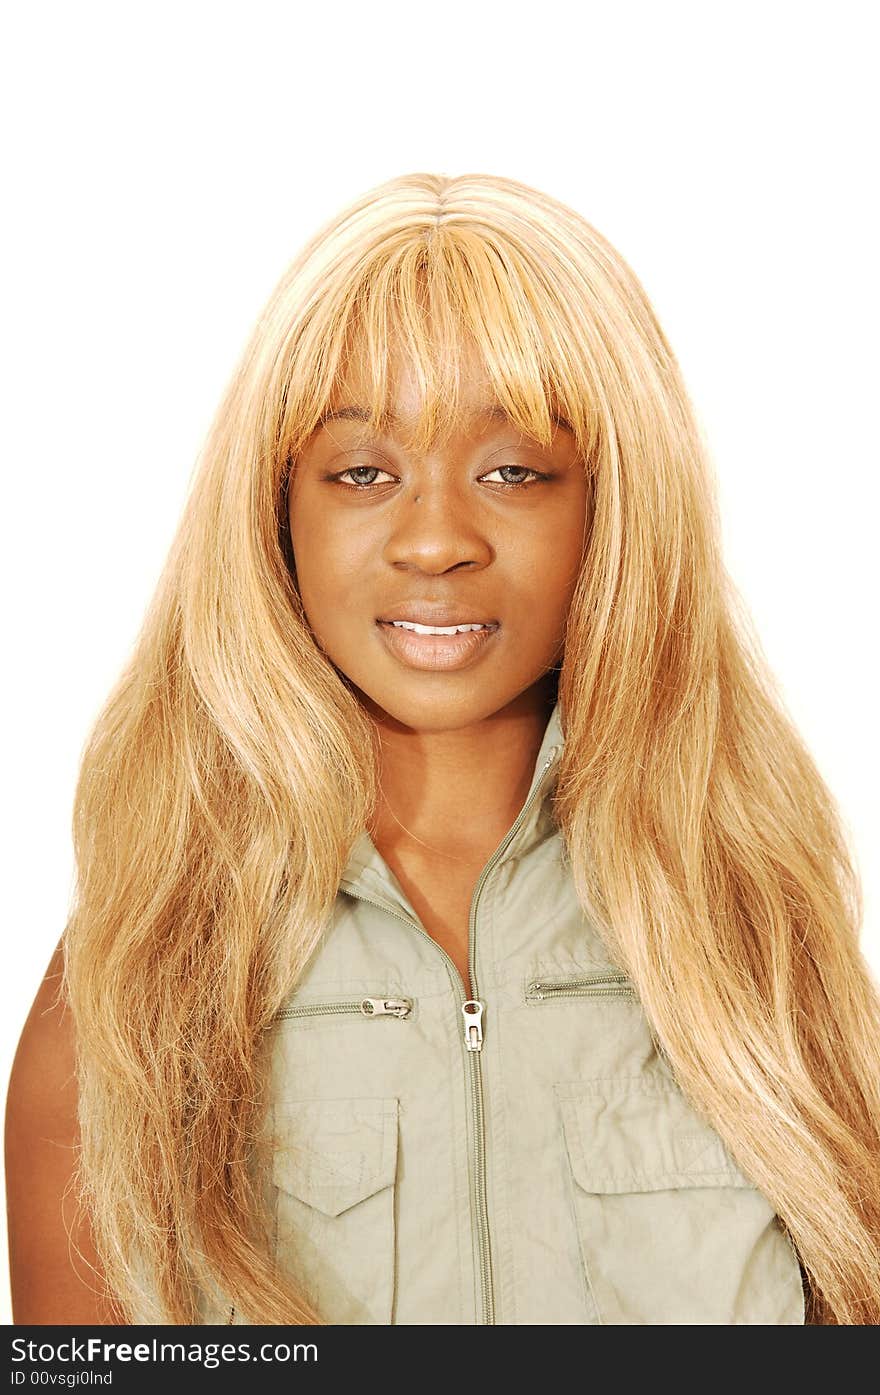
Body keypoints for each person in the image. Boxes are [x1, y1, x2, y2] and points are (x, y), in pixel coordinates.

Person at [6, 172, 880, 1327]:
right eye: (362, 472)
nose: (434, 541)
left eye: (513, 471)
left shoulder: (752, 937)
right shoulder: (141, 977)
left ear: (612, 505)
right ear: (278, 513)